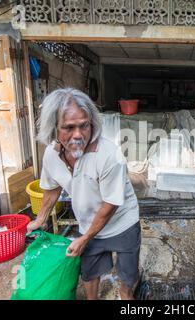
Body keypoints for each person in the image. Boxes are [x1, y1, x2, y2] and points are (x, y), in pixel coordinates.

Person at [27, 88, 141, 300]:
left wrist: (85, 238)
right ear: (54, 129)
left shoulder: (108, 155)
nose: (78, 134)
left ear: (92, 123)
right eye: (69, 128)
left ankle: (126, 296)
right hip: (89, 223)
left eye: (84, 125)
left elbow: (110, 204)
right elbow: (53, 187)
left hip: (122, 222)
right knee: (89, 274)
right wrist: (40, 219)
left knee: (127, 275)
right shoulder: (52, 155)